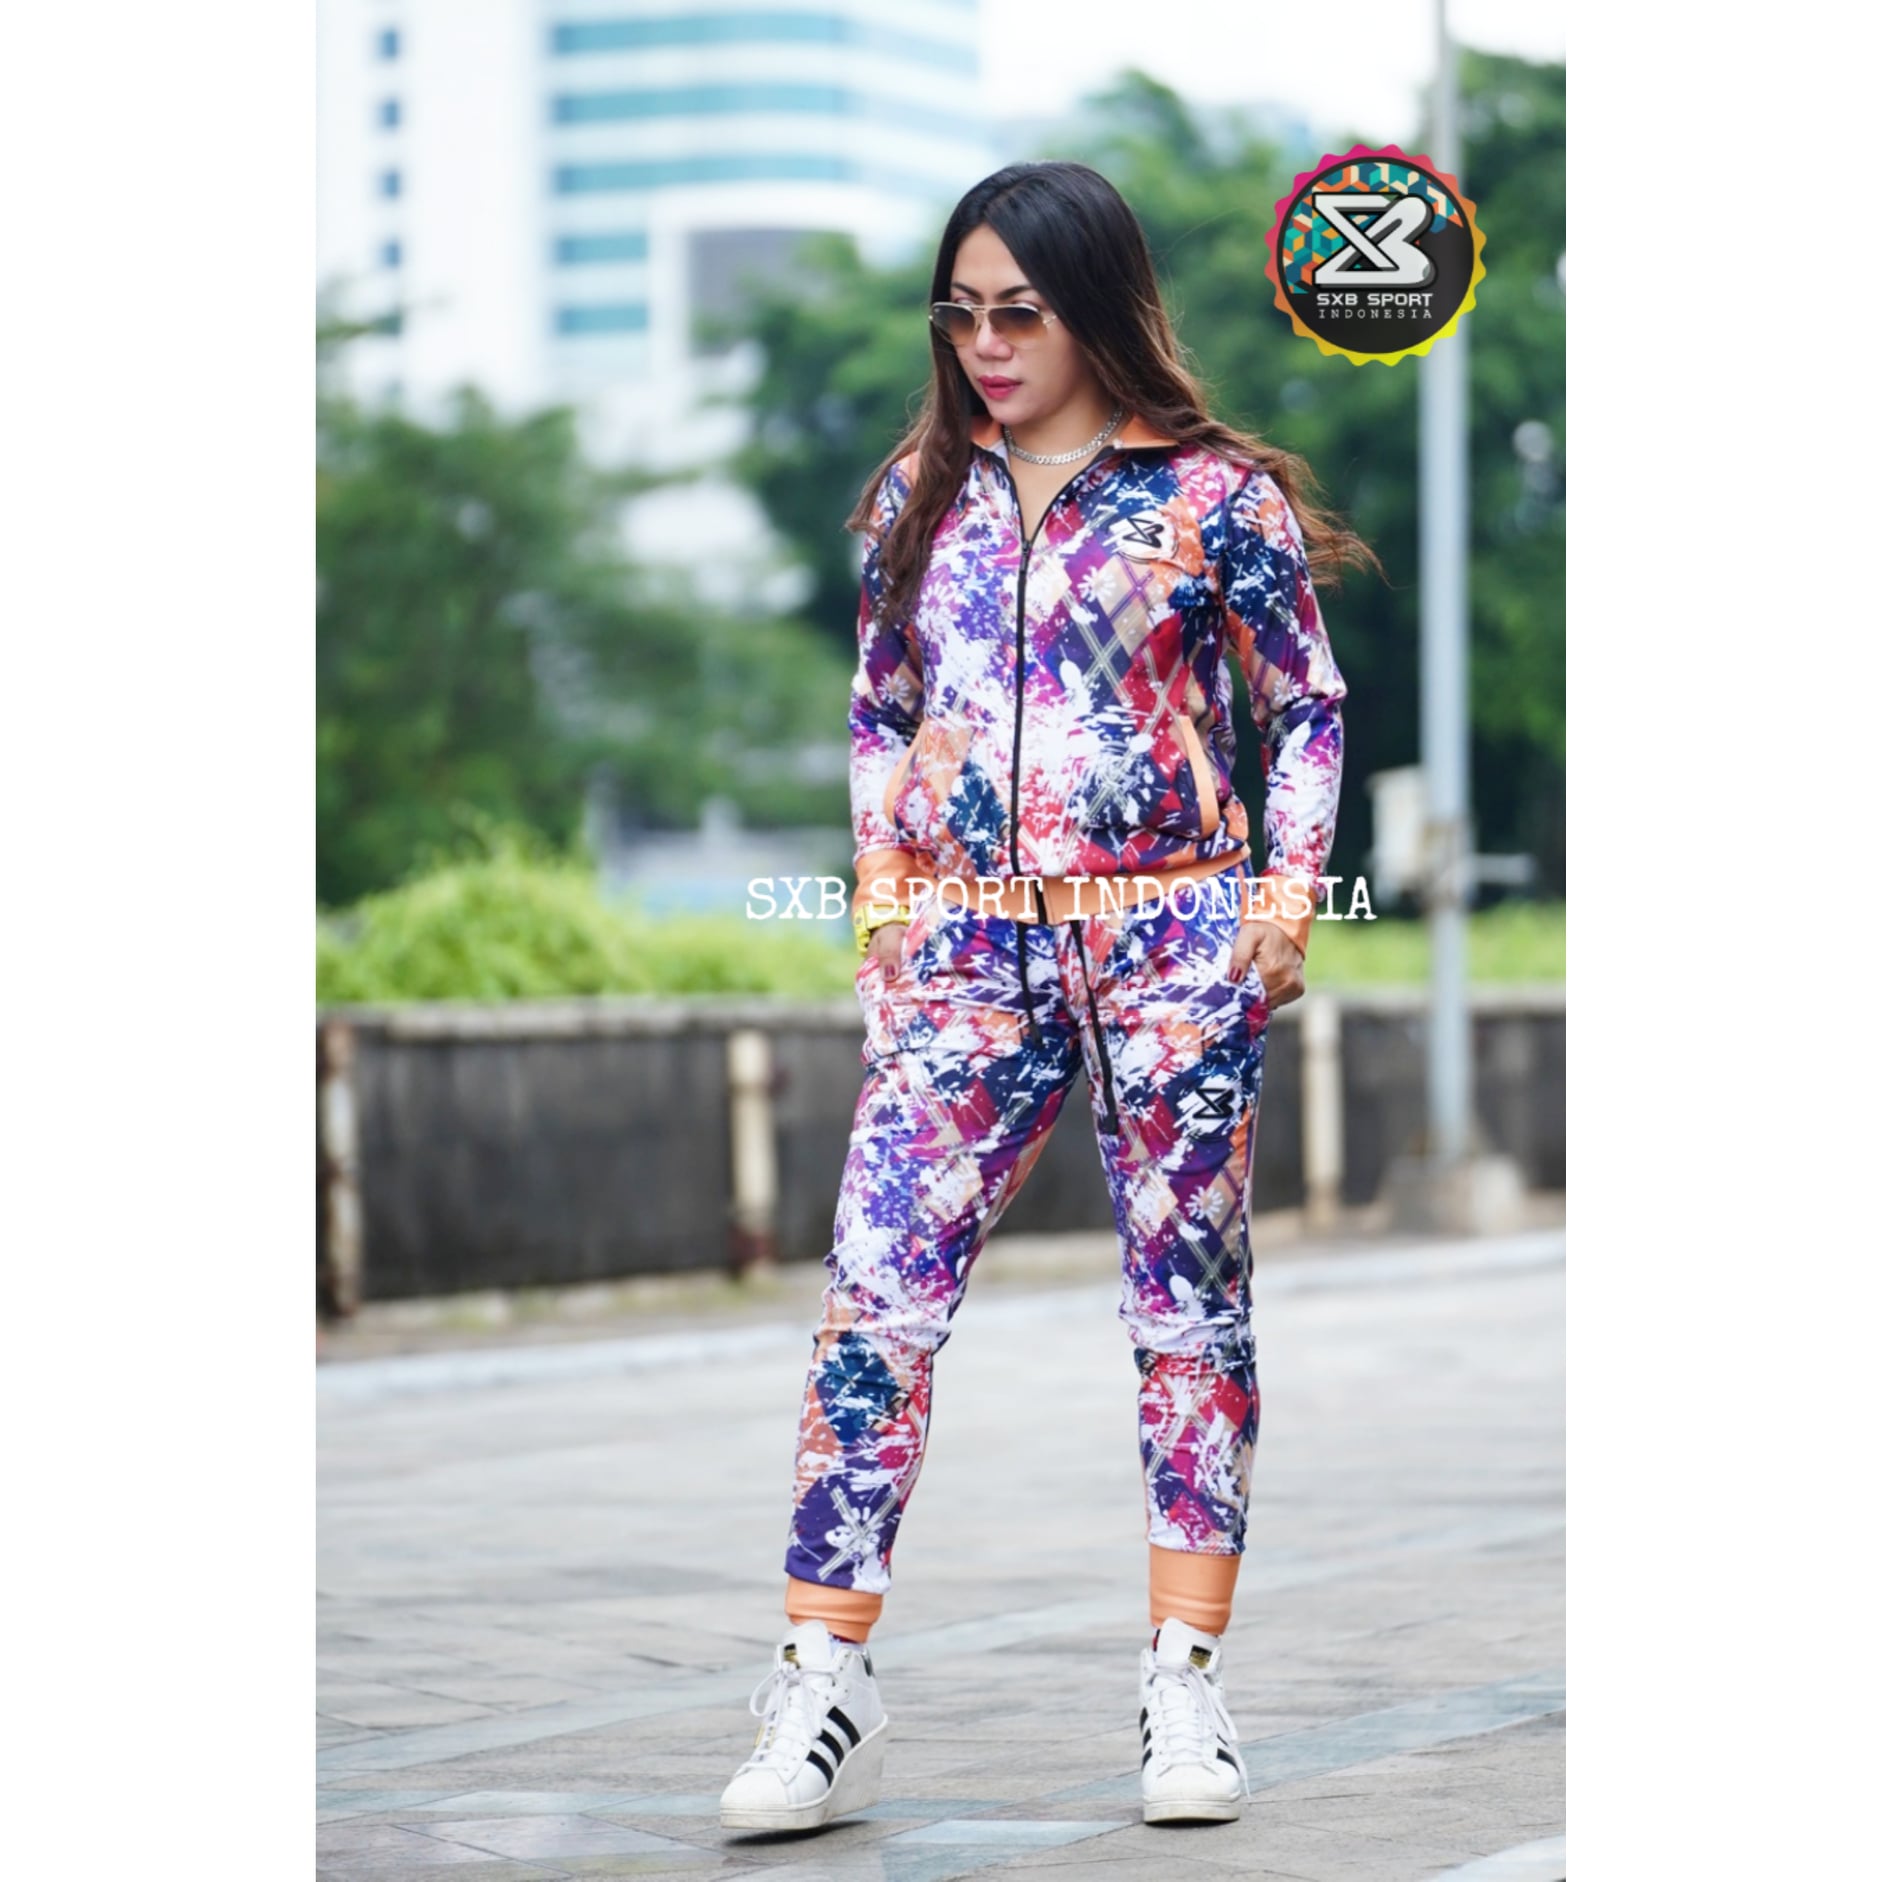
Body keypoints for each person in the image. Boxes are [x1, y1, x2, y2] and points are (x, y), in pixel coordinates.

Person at [720, 159, 1372, 1836]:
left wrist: (1282, 900)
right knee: (874, 1298)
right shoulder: (914, 494)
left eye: (1018, 312)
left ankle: (1184, 1679)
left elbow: (1304, 706)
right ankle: (820, 1676)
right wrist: (883, 901)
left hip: (1168, 946)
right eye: (960, 314)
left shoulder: (1208, 496)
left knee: (1185, 1309)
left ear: (1094, 308)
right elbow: (879, 709)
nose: (986, 344)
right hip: (960, 955)